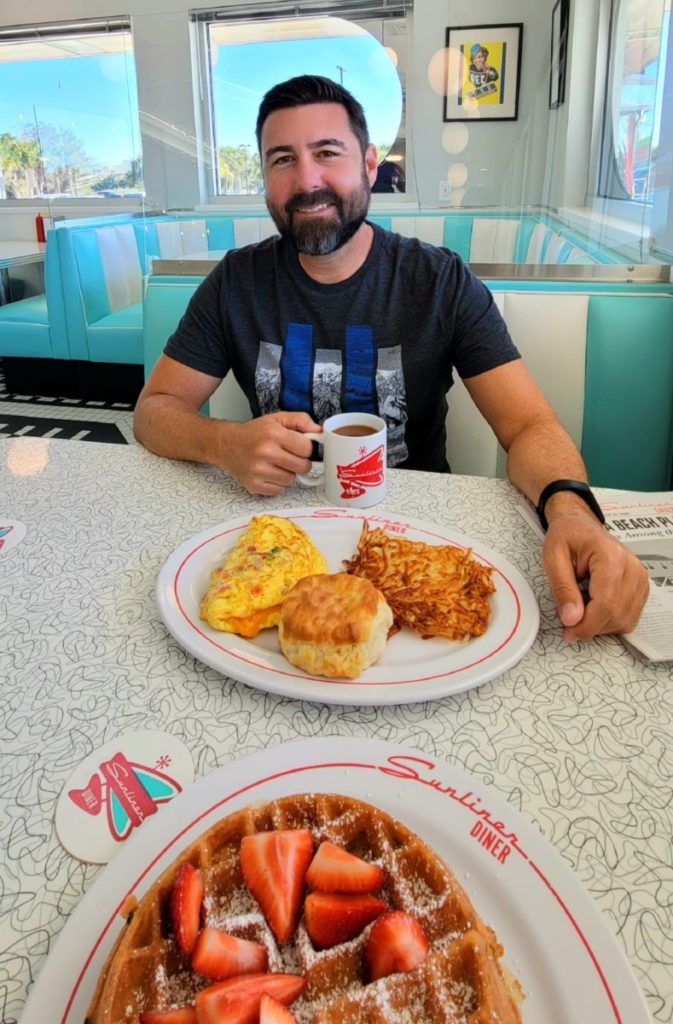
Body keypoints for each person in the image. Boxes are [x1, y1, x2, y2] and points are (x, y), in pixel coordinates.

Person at [134, 74, 648, 642]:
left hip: (419, 544)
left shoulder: (440, 282)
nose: (307, 180)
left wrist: (570, 510)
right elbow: (154, 410)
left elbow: (529, 424)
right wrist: (226, 444)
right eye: (282, 159)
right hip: (283, 534)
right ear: (264, 178)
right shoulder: (235, 282)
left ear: (370, 164)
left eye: (328, 153)